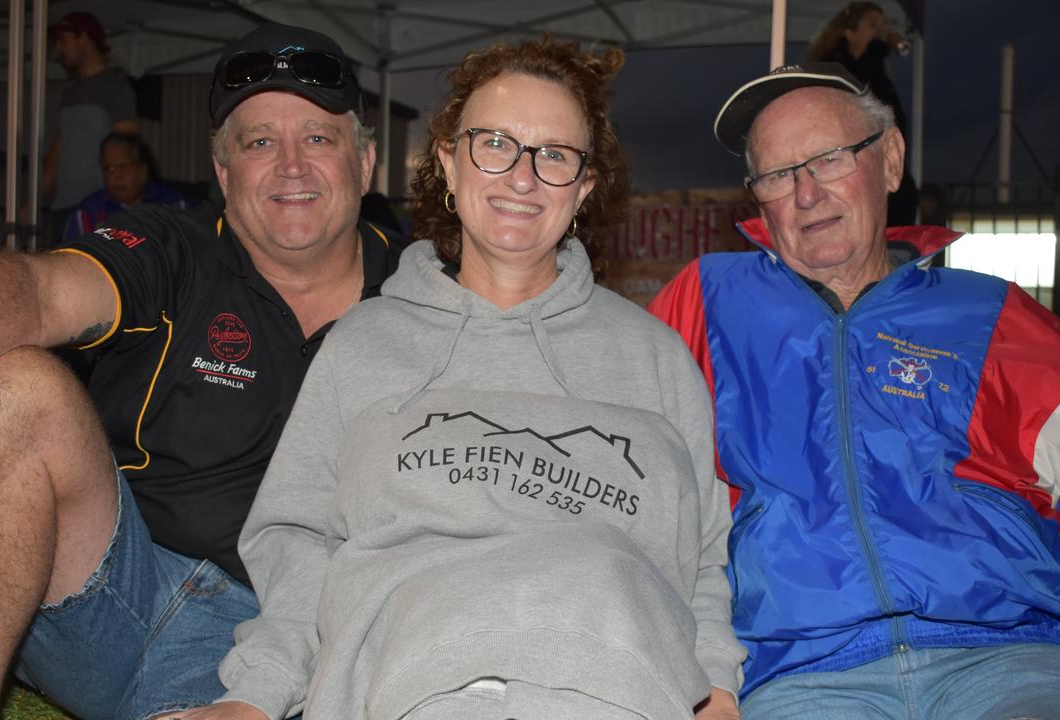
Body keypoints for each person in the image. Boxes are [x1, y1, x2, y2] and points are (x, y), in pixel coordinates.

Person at [0, 22, 404, 720]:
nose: (290, 165)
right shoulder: (173, 246)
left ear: (364, 162)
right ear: (223, 169)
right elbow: (37, 292)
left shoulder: (424, 299)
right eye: (260, 141)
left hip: (290, 636)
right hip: (111, 595)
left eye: (319, 139)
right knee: (3, 391)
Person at [200, 36, 745, 720]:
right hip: (406, 686)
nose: (522, 177)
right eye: (494, 143)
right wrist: (254, 695)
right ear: (449, 166)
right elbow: (300, 547)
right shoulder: (364, 346)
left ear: (584, 189)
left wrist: (717, 693)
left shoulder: (657, 359)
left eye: (554, 155)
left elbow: (702, 562)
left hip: (617, 688)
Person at [649, 62, 1060, 719]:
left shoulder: (999, 317)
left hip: (1015, 659)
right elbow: (626, 477)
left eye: (827, 159)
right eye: (776, 174)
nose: (805, 193)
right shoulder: (705, 302)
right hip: (797, 676)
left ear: (889, 160)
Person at [806, 2, 918, 225]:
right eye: (872, 24)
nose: (880, 30)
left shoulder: (874, 70)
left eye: (882, 24)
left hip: (883, 168)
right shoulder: (835, 72)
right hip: (850, 170)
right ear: (850, 32)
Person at [43, 11, 139, 246]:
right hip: (63, 208)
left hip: (98, 210)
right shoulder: (70, 94)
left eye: (63, 40)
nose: (58, 50)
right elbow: (59, 150)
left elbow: (128, 146)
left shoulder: (114, 87)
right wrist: (36, 199)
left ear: (83, 38)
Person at [62, 132, 189, 242]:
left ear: (143, 170)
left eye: (124, 167)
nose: (117, 176)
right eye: (110, 169)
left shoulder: (173, 204)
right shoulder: (87, 213)